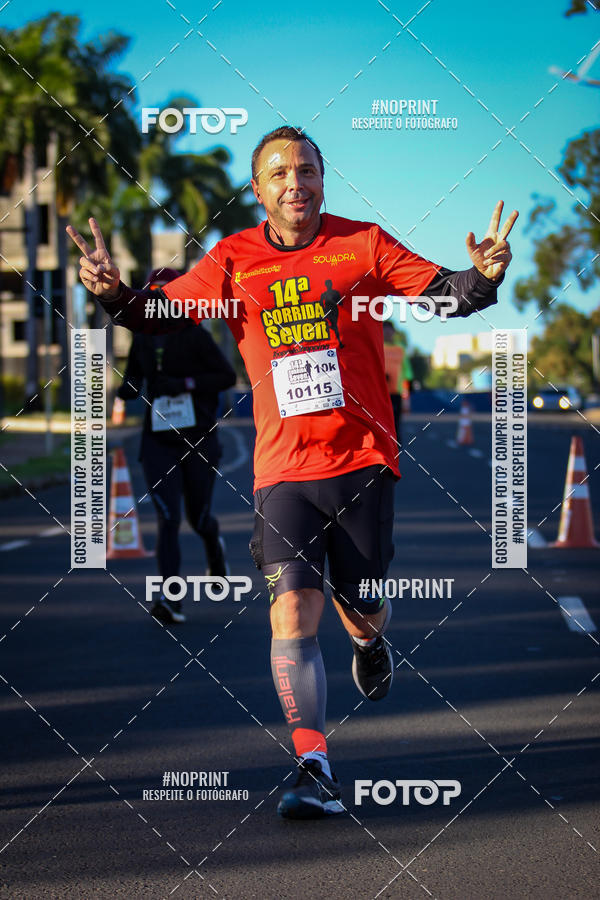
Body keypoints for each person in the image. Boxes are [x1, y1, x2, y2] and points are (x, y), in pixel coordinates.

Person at [67, 125, 517, 819]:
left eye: (306, 170)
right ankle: (314, 765)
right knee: (292, 610)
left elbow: (441, 297)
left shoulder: (362, 243)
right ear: (259, 190)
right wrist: (115, 295)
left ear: (322, 179)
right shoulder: (232, 259)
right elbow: (164, 315)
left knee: (360, 603)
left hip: (362, 458)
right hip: (282, 471)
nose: (294, 183)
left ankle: (370, 638)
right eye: (279, 173)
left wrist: (484, 276)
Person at [116, 267, 237, 624]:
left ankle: (215, 551)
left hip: (199, 440)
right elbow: (135, 375)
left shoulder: (195, 334)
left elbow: (226, 376)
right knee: (167, 518)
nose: (160, 301)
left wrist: (185, 383)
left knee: (197, 518)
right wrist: (128, 389)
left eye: (166, 294)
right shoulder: (143, 337)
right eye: (153, 295)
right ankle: (170, 600)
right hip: (158, 441)